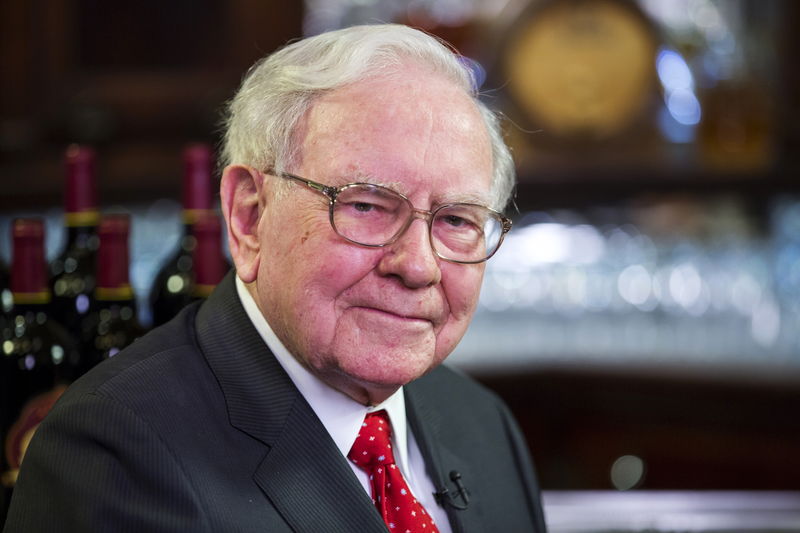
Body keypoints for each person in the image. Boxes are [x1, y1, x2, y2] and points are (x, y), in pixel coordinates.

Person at [5, 24, 547, 532]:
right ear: (249, 215)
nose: (417, 265)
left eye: (456, 220)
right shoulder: (116, 453)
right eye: (366, 206)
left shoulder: (481, 424)